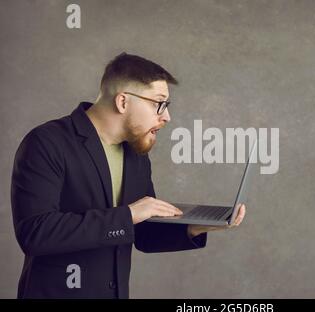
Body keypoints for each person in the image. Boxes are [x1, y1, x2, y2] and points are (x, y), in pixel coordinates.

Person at [10, 52, 246, 299]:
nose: (167, 117)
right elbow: (36, 234)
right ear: (123, 102)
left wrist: (195, 227)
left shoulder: (136, 155)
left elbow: (142, 233)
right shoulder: (46, 143)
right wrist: (129, 214)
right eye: (159, 103)